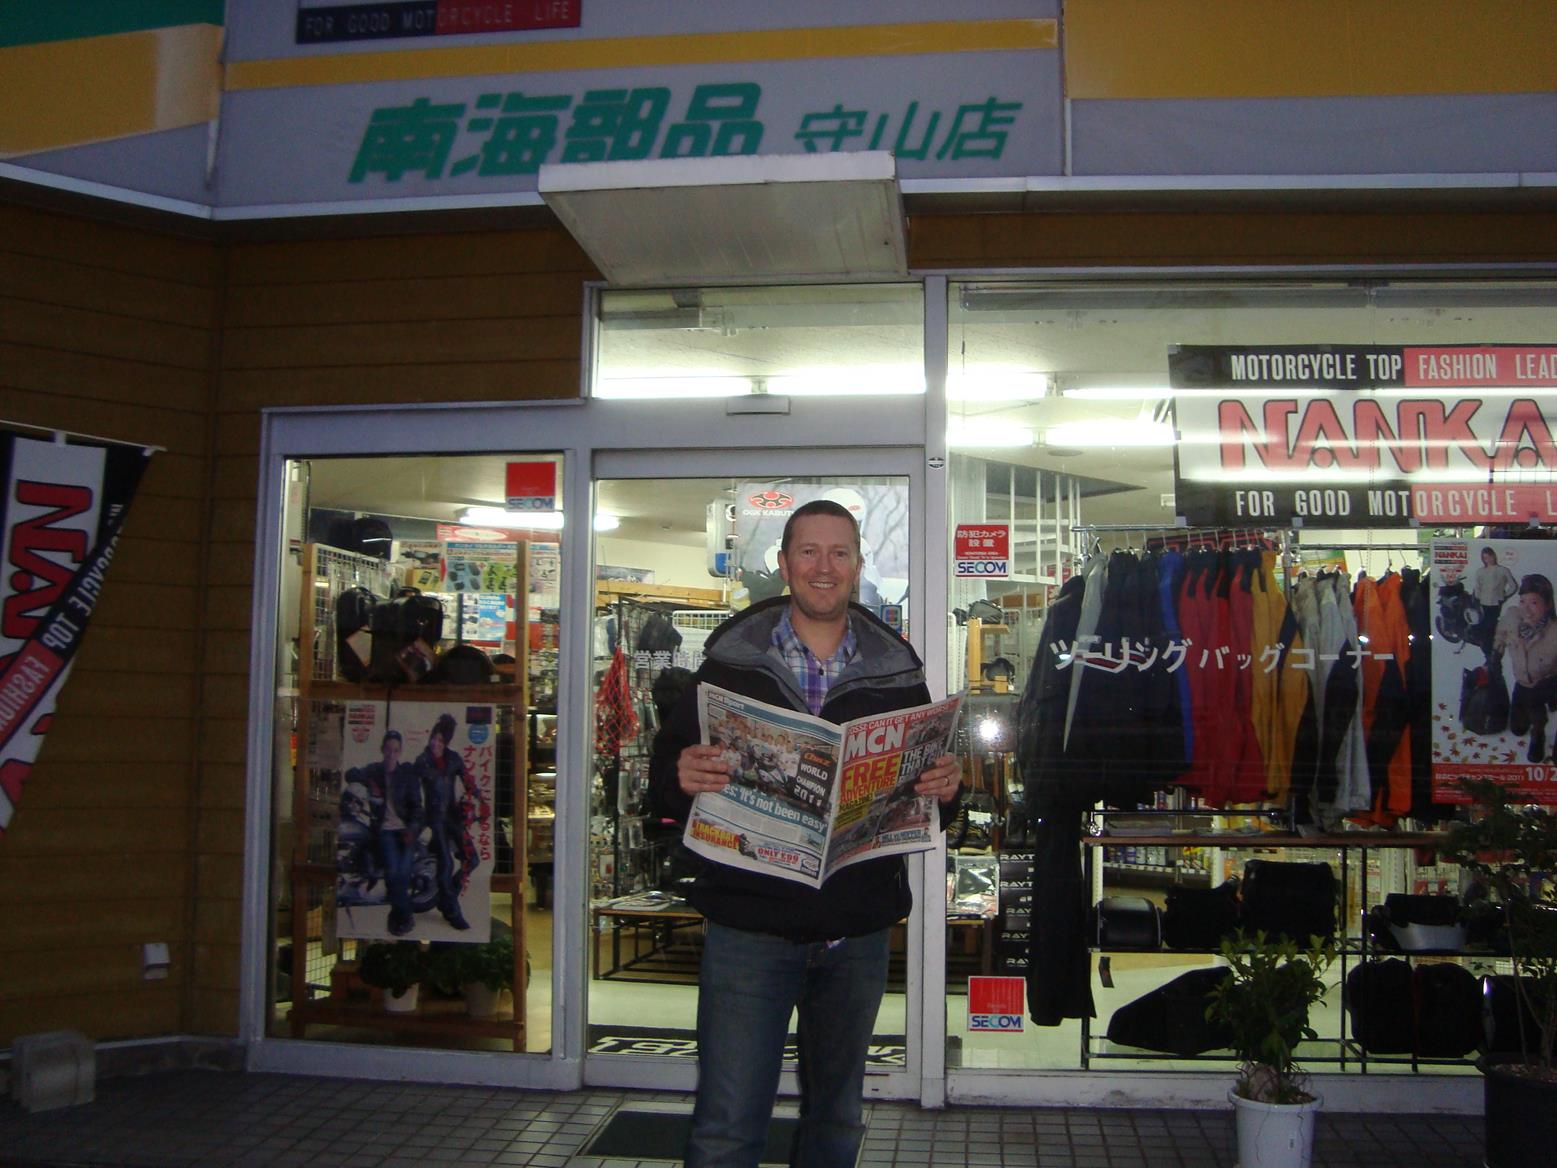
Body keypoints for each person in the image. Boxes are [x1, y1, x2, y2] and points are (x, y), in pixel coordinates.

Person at [650, 499, 962, 1168]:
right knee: (726, 1126)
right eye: (809, 552)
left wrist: (945, 790)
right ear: (785, 564)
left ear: (857, 565)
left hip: (855, 933)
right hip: (748, 932)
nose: (824, 568)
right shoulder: (729, 666)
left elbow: (928, 800)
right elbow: (665, 775)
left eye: (839, 553)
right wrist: (680, 772)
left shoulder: (897, 674)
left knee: (836, 1122)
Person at [1493, 573, 1557, 763]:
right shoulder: (1512, 615)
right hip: (1522, 684)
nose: (1527, 610)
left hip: (1547, 683)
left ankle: (1539, 734)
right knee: (1518, 728)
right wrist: (1497, 651)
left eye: (1534, 603)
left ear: (1547, 605)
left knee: (1539, 720)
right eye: (1523, 602)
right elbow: (1501, 631)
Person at [417, 713, 473, 930]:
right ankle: (451, 909)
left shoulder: (453, 759)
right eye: (434, 738)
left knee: (472, 859)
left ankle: (446, 896)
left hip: (452, 816)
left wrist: (477, 798)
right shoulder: (422, 761)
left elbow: (469, 781)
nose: (435, 743)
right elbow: (411, 788)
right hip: (433, 819)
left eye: (440, 740)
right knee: (447, 863)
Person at [373, 730, 425, 936]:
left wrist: (411, 829)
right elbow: (351, 773)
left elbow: (417, 807)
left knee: (401, 873)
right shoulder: (375, 771)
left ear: (400, 752)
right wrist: (370, 784)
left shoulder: (407, 775)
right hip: (385, 830)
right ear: (382, 750)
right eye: (388, 749)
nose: (391, 754)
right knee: (394, 872)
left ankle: (399, 916)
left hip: (405, 831)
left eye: (395, 750)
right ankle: (404, 916)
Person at [1472, 546, 1518, 651]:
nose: (1488, 560)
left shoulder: (1503, 570)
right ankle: (1485, 645)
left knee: (1491, 625)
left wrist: (1505, 596)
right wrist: (1477, 599)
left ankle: (1491, 647)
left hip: (1496, 602)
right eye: (1485, 558)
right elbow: (1477, 587)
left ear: (1494, 556)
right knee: (1483, 624)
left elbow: (1513, 586)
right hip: (1483, 602)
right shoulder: (1480, 572)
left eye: (1489, 557)